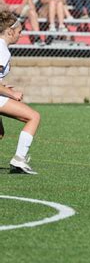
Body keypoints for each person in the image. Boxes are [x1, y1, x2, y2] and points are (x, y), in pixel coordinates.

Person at [0, 9, 41, 174]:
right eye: (19, 31)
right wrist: (11, 94)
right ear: (10, 31)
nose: (21, 35)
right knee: (33, 117)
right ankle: (19, 159)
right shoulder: (2, 50)